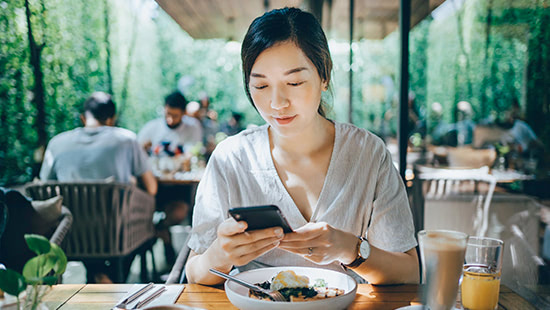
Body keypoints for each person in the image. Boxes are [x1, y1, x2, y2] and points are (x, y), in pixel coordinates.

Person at [185, 7, 419, 285]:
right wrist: (218, 255)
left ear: (324, 77)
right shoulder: (231, 158)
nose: (277, 103)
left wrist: (351, 250)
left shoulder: (367, 154)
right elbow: (195, 271)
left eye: (294, 82)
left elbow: (409, 273)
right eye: (260, 86)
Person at [39, 91, 157, 282]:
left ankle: (97, 274)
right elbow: (152, 189)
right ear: (112, 119)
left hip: (68, 233)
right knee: (136, 233)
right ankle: (107, 277)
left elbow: (45, 186)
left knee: (89, 228)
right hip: (116, 234)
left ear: (83, 118)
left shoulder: (56, 143)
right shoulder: (127, 139)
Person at [138, 91, 203, 155]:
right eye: (168, 114)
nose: (170, 119)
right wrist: (143, 148)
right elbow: (137, 149)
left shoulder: (193, 127)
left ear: (184, 113)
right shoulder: (151, 127)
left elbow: (196, 150)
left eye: (175, 116)